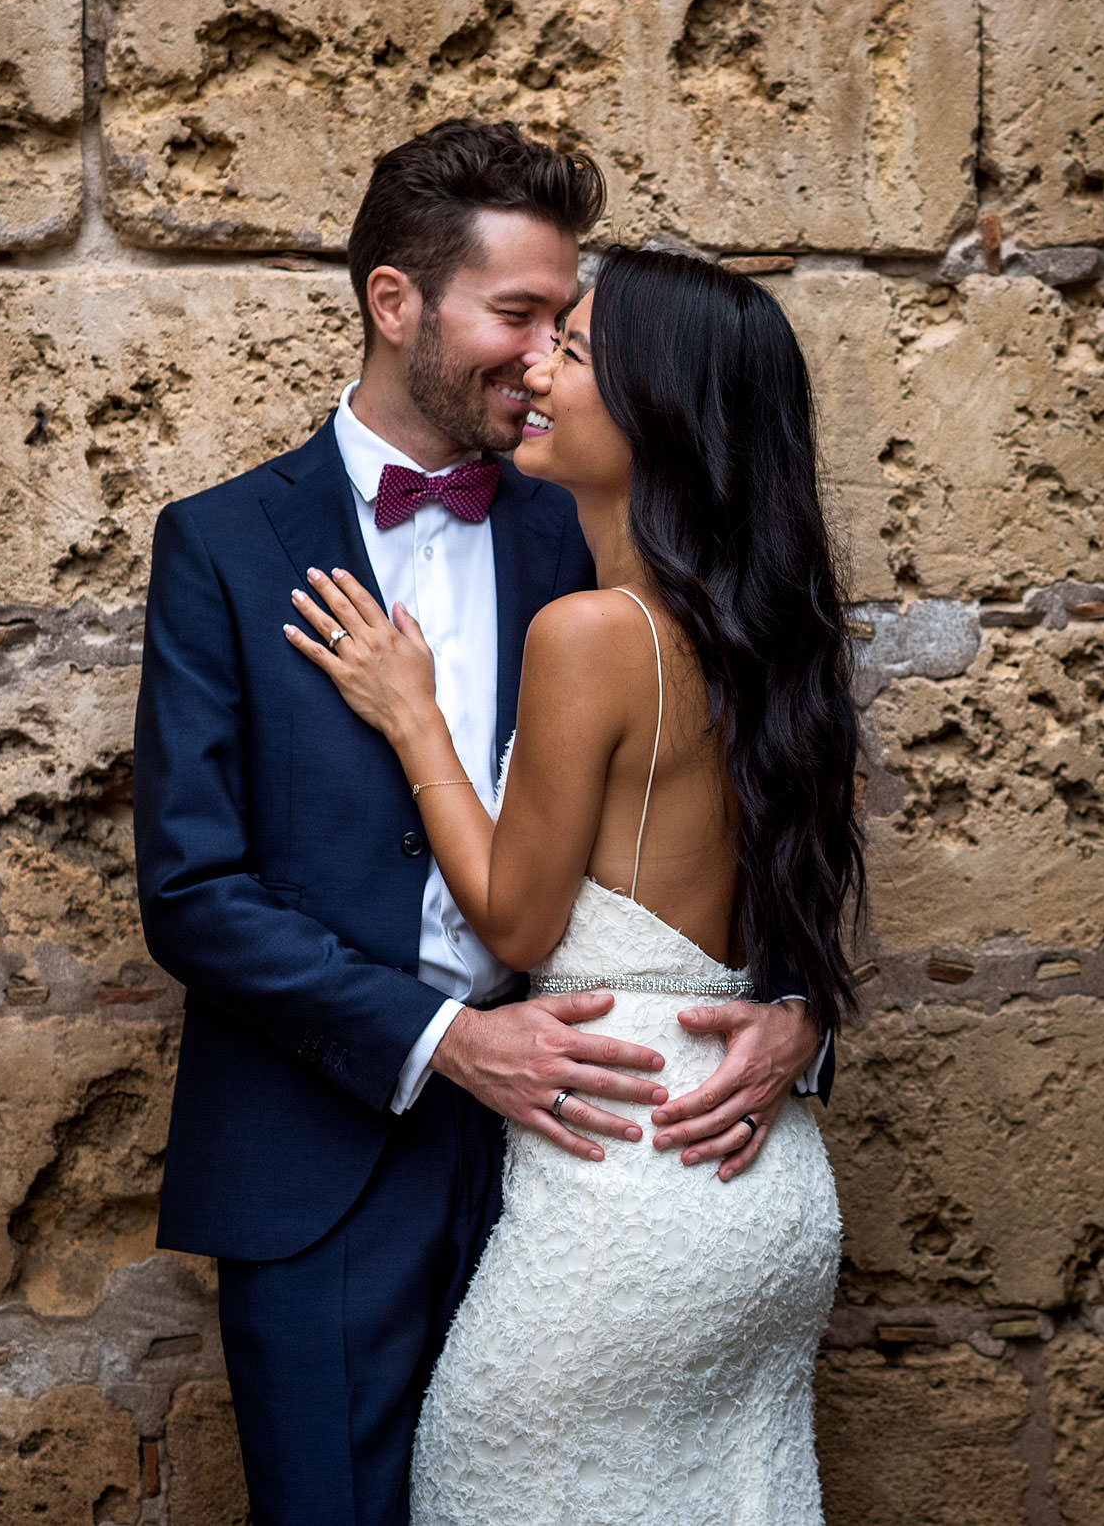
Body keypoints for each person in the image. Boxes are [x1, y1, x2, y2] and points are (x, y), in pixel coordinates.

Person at [132, 121, 830, 1526]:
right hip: (329, 1158)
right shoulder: (220, 545)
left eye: (562, 324)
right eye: (519, 314)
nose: (539, 353)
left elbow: (750, 782)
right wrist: (451, 1042)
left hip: (594, 1160)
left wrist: (801, 1014)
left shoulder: (593, 524)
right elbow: (193, 890)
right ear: (399, 304)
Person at [281, 245, 862, 1523]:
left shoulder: (591, 631)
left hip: (620, 1183)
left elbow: (519, 919)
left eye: (577, 352)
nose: (537, 367)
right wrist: (805, 1015)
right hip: (758, 1187)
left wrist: (414, 717)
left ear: (656, 412)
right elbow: (782, 920)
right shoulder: (766, 637)